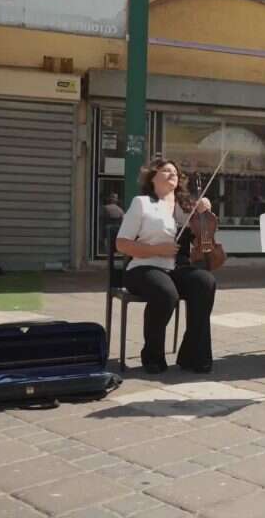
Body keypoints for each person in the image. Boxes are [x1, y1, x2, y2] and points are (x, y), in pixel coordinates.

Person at [115, 159, 217, 374]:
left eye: (176, 172)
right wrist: (157, 250)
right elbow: (122, 243)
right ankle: (152, 355)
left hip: (176, 268)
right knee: (165, 293)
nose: (174, 174)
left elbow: (202, 237)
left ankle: (194, 356)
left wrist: (203, 210)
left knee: (204, 282)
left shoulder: (185, 207)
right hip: (143, 266)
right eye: (167, 171)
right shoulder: (142, 203)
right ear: (152, 177)